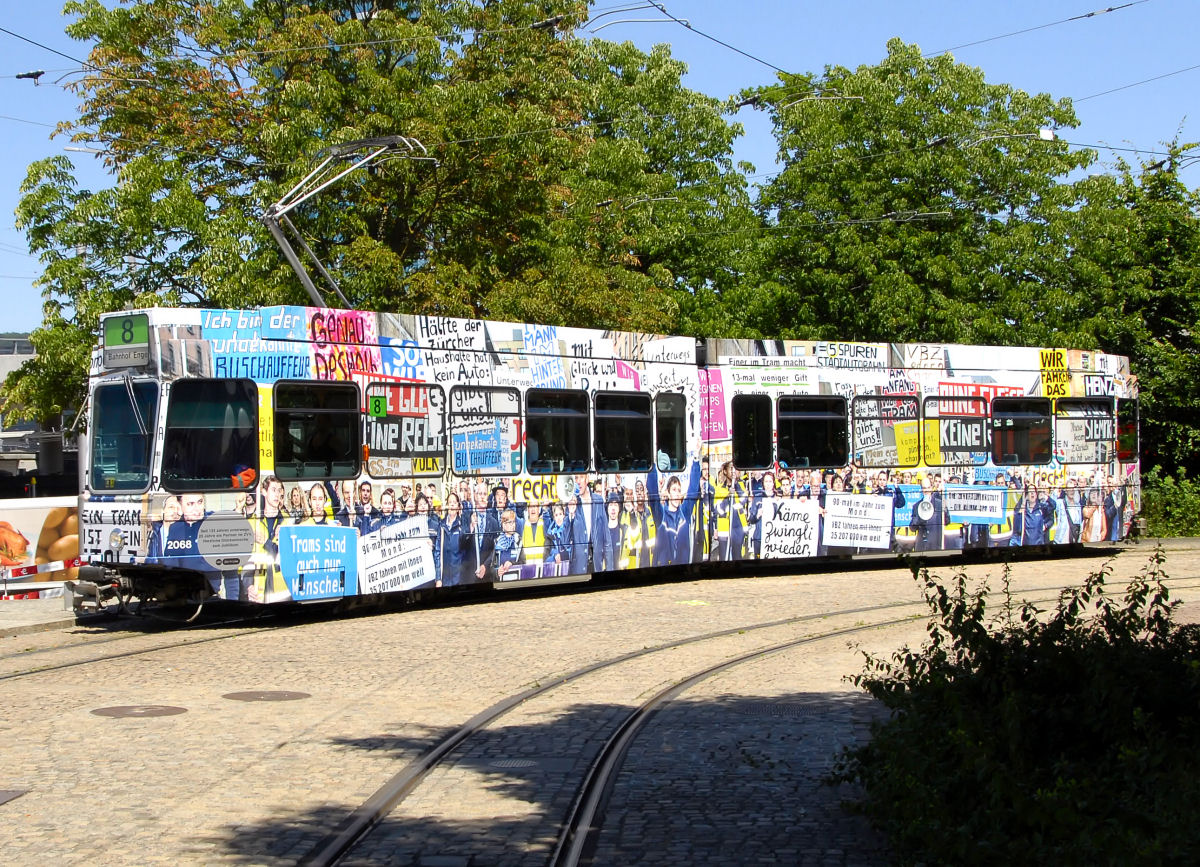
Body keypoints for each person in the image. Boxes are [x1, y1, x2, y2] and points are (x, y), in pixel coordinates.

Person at [909, 476, 944, 552]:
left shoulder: (939, 504)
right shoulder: (916, 506)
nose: (926, 490)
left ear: (931, 488)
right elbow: (912, 528)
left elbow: (947, 521)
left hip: (935, 545)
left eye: (928, 488)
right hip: (921, 546)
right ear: (921, 489)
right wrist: (919, 518)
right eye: (924, 488)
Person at [145, 495, 182, 562]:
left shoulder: (187, 534)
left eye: (179, 508)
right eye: (171, 507)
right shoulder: (152, 533)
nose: (176, 511)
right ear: (163, 511)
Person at [494, 508, 523, 578]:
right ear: (504, 525)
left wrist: (512, 564)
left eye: (514, 522)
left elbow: (523, 562)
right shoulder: (497, 542)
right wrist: (497, 572)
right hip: (500, 581)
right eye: (510, 522)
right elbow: (493, 565)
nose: (513, 525)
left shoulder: (519, 541)